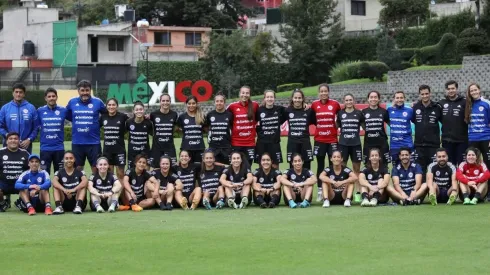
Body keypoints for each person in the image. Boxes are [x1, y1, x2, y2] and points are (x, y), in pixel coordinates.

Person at [66, 80, 106, 173]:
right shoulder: (72, 102)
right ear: (78, 91)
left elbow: (106, 115)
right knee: (77, 170)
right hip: (77, 143)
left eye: (87, 90)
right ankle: (80, 187)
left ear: (90, 90)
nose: (85, 93)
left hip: (94, 143)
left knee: (96, 169)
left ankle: (96, 187)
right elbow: (67, 115)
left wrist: (97, 123)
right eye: (82, 90)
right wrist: (77, 120)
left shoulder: (98, 102)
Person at [310, 83, 341, 201]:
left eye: (325, 91)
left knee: (333, 165)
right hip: (319, 140)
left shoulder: (335, 104)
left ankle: (332, 190)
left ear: (328, 92)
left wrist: (336, 126)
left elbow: (341, 116)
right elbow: (311, 117)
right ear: (319, 93)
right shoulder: (314, 105)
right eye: (321, 91)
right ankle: (320, 191)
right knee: (320, 165)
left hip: (332, 139)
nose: (323, 93)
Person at [336, 93, 364, 203]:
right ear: (344, 101)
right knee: (343, 169)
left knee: (356, 169)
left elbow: (364, 126)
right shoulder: (340, 113)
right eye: (346, 100)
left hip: (356, 144)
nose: (348, 102)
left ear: (354, 101)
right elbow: (336, 125)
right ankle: (344, 192)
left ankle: (357, 192)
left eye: (350, 100)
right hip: (343, 144)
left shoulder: (359, 113)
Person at [411, 85, 442, 183]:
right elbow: (414, 121)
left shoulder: (437, 107)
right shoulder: (415, 107)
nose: (425, 96)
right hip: (419, 145)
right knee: (420, 170)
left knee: (433, 169)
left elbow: (445, 121)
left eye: (426, 94)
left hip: (433, 145)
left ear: (430, 94)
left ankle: (433, 192)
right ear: (419, 95)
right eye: (422, 94)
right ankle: (422, 193)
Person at [0, 83, 38, 153]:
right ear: (13, 93)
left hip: (25, 145)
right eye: (16, 92)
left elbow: (36, 127)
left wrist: (29, 139)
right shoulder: (5, 108)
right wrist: (8, 136)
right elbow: (1, 126)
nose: (18, 94)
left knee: (26, 164)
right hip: (9, 144)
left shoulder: (31, 108)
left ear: (24, 94)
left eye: (20, 92)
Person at [37, 87, 67, 174]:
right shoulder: (40, 111)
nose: (51, 98)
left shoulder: (63, 110)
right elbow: (35, 127)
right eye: (49, 96)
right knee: (44, 174)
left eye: (53, 96)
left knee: (60, 175)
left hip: (59, 149)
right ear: (45, 98)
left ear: (57, 97)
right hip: (45, 149)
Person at [227, 86, 259, 165]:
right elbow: (227, 120)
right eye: (243, 93)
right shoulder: (232, 106)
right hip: (236, 143)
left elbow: (257, 119)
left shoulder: (255, 105)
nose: (245, 95)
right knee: (236, 166)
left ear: (250, 95)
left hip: (250, 143)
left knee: (248, 166)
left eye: (247, 93)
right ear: (239, 94)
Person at [255, 90, 287, 169]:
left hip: (274, 143)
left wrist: (305, 105)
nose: (269, 99)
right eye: (267, 97)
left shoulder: (280, 109)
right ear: (264, 98)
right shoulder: (259, 110)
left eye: (271, 97)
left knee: (275, 167)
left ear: (274, 98)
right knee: (261, 167)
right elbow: (255, 123)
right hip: (262, 143)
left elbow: (292, 109)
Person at [439, 80, 467, 165]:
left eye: (453, 88)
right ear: (446, 90)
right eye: (448, 89)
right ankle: (452, 179)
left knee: (462, 165)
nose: (451, 90)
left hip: (462, 141)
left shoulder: (464, 102)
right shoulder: (441, 103)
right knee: (449, 165)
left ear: (457, 89)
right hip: (447, 140)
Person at [99, 98, 129, 180]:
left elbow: (132, 124)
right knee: (110, 175)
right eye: (109, 105)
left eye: (113, 105)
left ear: (117, 106)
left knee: (120, 174)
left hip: (119, 150)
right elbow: (95, 127)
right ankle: (112, 192)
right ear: (106, 106)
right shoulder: (103, 117)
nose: (111, 107)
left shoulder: (123, 116)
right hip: (107, 150)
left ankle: (122, 193)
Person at [284, 89, 313, 169]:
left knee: (307, 166)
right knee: (292, 166)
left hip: (305, 143)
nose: (297, 100)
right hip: (292, 143)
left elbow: (317, 122)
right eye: (295, 98)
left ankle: (307, 181)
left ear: (302, 99)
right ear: (292, 99)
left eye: (299, 98)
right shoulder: (287, 110)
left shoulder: (309, 111)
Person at [0, 132, 29, 211]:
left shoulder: (25, 153)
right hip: (4, 184)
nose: (13, 141)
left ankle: (20, 202)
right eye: (10, 139)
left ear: (19, 141)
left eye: (15, 139)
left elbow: (31, 169)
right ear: (6, 141)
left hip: (20, 184)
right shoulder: (1, 152)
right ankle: (3, 203)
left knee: (26, 208)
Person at [464, 83, 490, 169]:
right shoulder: (467, 104)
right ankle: (474, 181)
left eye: (475, 90)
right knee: (472, 163)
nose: (474, 92)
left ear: (479, 90)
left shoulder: (487, 103)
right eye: (471, 91)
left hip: (486, 138)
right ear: (469, 93)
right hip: (473, 138)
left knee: (488, 163)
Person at [362, 90, 390, 165]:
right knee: (368, 165)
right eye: (371, 97)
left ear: (378, 99)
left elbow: (390, 123)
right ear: (368, 99)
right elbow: (362, 125)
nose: (373, 99)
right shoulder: (363, 112)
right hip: (368, 143)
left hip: (382, 143)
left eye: (375, 97)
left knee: (384, 164)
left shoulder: (384, 111)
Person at [150, 94, 178, 167]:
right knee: (156, 169)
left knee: (172, 168)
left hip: (170, 147)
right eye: (163, 101)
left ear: (170, 102)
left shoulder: (174, 114)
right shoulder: (153, 114)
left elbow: (176, 127)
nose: (165, 103)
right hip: (157, 148)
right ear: (160, 102)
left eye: (167, 101)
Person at [177, 96, 205, 164]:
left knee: (199, 169)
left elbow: (205, 129)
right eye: (189, 103)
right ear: (186, 104)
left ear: (196, 104)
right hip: (186, 148)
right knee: (186, 168)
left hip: (199, 148)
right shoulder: (182, 117)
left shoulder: (202, 116)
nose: (191, 105)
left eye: (193, 103)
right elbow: (178, 128)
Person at [387, 91, 413, 164]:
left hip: (407, 144)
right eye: (397, 98)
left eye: (401, 97)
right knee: (396, 168)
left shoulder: (410, 110)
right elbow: (387, 121)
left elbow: (416, 121)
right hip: (394, 145)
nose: (399, 99)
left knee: (410, 167)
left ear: (404, 98)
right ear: (394, 99)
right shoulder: (389, 110)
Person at [126, 101, 153, 168]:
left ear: (143, 110)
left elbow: (153, 135)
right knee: (132, 173)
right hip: (132, 152)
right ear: (133, 111)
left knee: (146, 173)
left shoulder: (148, 122)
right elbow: (124, 133)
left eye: (141, 109)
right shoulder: (129, 122)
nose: (139, 111)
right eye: (137, 110)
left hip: (145, 152)